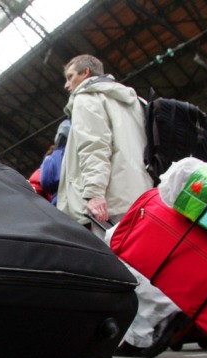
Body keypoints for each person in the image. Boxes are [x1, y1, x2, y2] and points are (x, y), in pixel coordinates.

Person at [57, 54, 153, 238]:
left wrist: (94, 193)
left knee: (121, 262)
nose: (67, 85)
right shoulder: (133, 100)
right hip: (142, 192)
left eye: (70, 77)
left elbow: (94, 146)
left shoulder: (86, 98)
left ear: (85, 73)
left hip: (110, 201)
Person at [40, 119, 71, 205]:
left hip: (59, 200)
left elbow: (45, 181)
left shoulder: (50, 158)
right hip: (80, 197)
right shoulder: (78, 152)